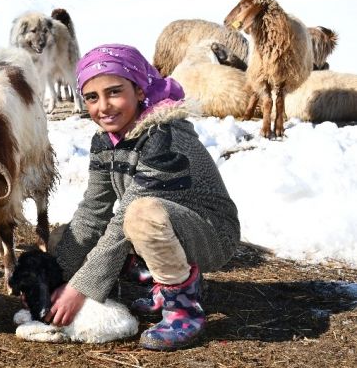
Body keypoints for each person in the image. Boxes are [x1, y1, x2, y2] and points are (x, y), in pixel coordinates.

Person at [46, 44, 240, 351]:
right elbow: (92, 211)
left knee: (139, 214)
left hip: (210, 233)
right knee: (66, 237)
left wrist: (78, 289)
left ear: (139, 90)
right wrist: (54, 277)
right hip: (162, 225)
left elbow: (124, 219)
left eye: (114, 92)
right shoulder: (105, 141)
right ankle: (167, 280)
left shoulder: (164, 136)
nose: (104, 106)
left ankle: (183, 307)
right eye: (92, 97)